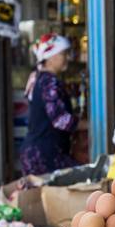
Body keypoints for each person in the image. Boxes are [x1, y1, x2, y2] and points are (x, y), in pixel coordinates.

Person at [19, 33, 78, 175]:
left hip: (36, 152)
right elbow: (60, 120)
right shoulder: (49, 82)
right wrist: (88, 124)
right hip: (45, 155)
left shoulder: (38, 78)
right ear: (50, 57)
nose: (67, 58)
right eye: (63, 54)